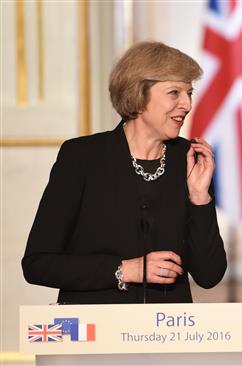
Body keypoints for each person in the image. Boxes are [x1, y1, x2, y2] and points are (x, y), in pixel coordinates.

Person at [22, 41, 227, 304]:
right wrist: (125, 270)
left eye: (189, 93)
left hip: (167, 335)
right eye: (174, 92)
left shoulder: (189, 160)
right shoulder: (82, 157)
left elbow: (209, 275)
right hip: (94, 332)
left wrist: (199, 198)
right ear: (139, 94)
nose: (186, 104)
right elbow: (38, 264)